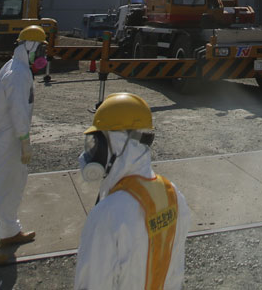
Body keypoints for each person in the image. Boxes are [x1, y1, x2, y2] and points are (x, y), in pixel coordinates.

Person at [74, 92, 190, 290]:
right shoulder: (174, 195)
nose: (91, 152)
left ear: (116, 144)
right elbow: (175, 271)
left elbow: (93, 283)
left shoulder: (107, 215)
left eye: (97, 142)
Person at [0, 25, 47, 265]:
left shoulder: (19, 68)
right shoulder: (17, 73)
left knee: (15, 184)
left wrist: (21, 140)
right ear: (29, 46)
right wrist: (24, 140)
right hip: (4, 140)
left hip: (14, 139)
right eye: (41, 49)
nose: (43, 55)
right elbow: (18, 110)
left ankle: (9, 231)